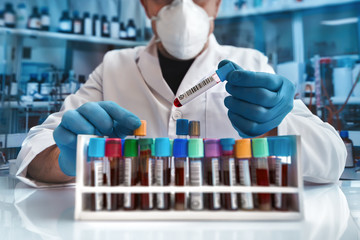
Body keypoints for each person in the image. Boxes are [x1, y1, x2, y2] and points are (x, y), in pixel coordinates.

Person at [16, 0, 346, 187]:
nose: (184, 6)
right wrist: (70, 157)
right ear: (147, 6)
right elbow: (32, 155)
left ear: (217, 4)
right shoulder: (114, 66)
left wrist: (276, 125)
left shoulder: (251, 62)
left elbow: (332, 159)